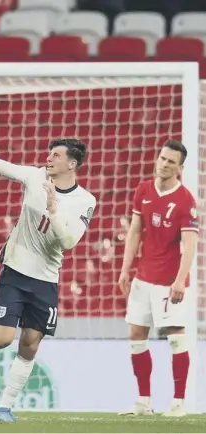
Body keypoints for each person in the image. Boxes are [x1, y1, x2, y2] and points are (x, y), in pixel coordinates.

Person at [0, 133, 96, 422]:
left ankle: (5, 407)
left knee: (30, 344)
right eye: (49, 153)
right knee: (2, 341)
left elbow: (69, 242)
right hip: (16, 270)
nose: (49, 158)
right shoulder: (35, 177)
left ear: (72, 164)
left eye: (55, 155)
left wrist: (54, 210)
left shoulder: (85, 200)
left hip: (46, 280)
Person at [118, 140, 198, 417]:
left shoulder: (186, 200)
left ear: (180, 168)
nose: (164, 165)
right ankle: (143, 401)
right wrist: (125, 268)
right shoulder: (143, 190)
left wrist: (180, 280)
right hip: (143, 277)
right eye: (162, 158)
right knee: (136, 335)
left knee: (176, 337)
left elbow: (190, 244)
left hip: (168, 280)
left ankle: (178, 402)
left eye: (171, 162)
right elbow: (135, 232)